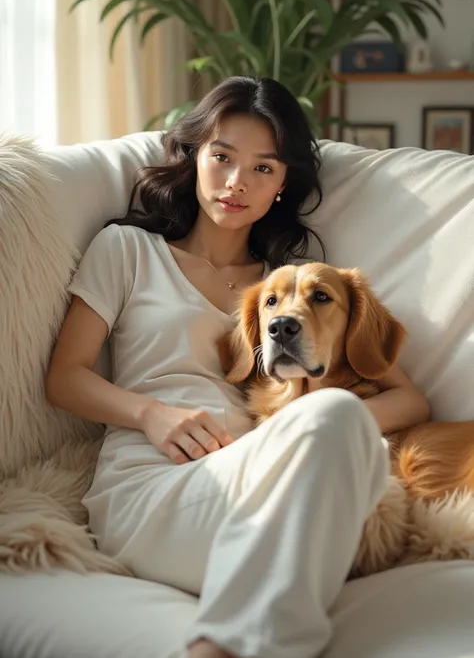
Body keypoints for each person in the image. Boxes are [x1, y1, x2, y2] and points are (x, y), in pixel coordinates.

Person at [46, 76, 430, 658]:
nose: (236, 183)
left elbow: (410, 400)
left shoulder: (286, 289)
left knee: (338, 417)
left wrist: (305, 431)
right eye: (222, 157)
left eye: (263, 168)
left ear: (282, 184)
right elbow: (65, 375)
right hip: (151, 484)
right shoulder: (127, 250)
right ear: (195, 156)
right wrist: (150, 413)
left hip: (255, 473)